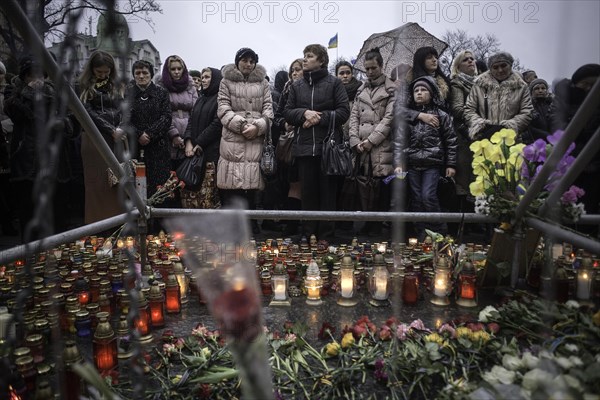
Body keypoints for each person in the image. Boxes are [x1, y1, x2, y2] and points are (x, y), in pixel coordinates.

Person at [283, 44, 350, 241]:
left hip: (327, 149)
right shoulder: (296, 86)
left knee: (327, 196)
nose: (305, 59)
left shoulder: (334, 83)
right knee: (308, 194)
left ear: (321, 60)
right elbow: (287, 112)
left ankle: (326, 237)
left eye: (310, 56)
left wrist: (320, 118)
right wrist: (304, 113)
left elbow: (344, 112)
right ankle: (308, 234)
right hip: (304, 148)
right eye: (304, 55)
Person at [4, 55, 74, 240]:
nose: (37, 80)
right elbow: (14, 111)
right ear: (24, 76)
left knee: (58, 215)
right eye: (31, 76)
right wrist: (29, 93)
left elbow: (72, 120)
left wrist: (63, 123)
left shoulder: (58, 91)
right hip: (27, 162)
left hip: (56, 162)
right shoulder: (14, 90)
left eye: (41, 75)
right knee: (29, 214)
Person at [217, 47, 273, 234]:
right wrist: (241, 125)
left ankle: (250, 228)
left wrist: (258, 126)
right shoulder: (226, 81)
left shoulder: (263, 83)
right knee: (233, 185)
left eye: (252, 61)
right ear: (237, 61)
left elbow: (268, 109)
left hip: (255, 138)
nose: (248, 64)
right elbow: (223, 108)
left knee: (252, 185)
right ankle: (232, 229)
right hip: (233, 138)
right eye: (245, 60)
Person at [393, 76, 457, 240]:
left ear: (432, 93)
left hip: (432, 164)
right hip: (413, 163)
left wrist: (451, 164)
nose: (419, 93)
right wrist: (399, 162)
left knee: (428, 196)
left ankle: (438, 231)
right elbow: (399, 141)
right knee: (416, 198)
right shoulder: (410, 117)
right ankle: (421, 233)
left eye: (423, 90)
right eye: (416, 90)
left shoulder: (441, 115)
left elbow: (450, 140)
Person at [348, 47, 396, 236]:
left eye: (373, 68)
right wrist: (354, 141)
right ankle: (366, 224)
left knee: (380, 187)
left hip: (381, 146)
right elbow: (353, 118)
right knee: (363, 187)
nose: (369, 72)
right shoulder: (361, 90)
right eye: (366, 69)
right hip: (361, 146)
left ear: (381, 66)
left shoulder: (391, 89)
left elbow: (390, 119)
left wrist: (371, 140)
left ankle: (377, 228)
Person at [77, 50, 128, 224]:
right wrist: (110, 129)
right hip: (94, 139)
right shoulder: (83, 85)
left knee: (116, 182)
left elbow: (125, 109)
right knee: (97, 185)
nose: (103, 75)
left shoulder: (118, 84)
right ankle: (96, 225)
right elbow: (87, 113)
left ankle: (117, 224)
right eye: (99, 72)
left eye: (106, 72)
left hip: (116, 138)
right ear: (92, 70)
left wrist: (120, 127)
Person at [550, 63, 600, 237]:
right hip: (568, 164)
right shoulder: (563, 101)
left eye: (594, 86)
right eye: (584, 84)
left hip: (594, 166)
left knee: (589, 215)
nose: (588, 89)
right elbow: (558, 130)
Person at [125, 60, 172, 202]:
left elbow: (166, 117)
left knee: (159, 187)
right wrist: (139, 134)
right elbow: (125, 119)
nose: (141, 76)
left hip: (158, 147)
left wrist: (150, 134)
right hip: (136, 147)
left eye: (145, 73)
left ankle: (160, 220)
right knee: (138, 185)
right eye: (137, 73)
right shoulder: (128, 94)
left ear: (151, 74)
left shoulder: (161, 93)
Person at [464, 51, 533, 142]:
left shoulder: (521, 86)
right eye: (495, 67)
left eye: (503, 65)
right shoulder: (479, 85)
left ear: (510, 66)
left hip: (511, 139)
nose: (500, 70)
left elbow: (527, 111)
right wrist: (481, 125)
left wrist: (509, 126)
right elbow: (469, 109)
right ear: (490, 69)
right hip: (484, 138)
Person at [182, 67, 223, 209]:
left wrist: (199, 143)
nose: (204, 80)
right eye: (203, 77)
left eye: (207, 77)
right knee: (192, 195)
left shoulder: (220, 99)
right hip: (193, 153)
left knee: (208, 197)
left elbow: (217, 124)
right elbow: (191, 122)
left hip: (210, 154)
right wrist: (187, 141)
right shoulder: (200, 99)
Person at [272, 58, 304, 235]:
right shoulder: (286, 90)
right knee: (293, 184)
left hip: (310, 141)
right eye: (292, 70)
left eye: (298, 69)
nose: (295, 73)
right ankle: (292, 225)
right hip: (291, 143)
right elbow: (278, 116)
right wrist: (285, 123)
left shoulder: (312, 89)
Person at [155, 55, 197, 172]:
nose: (177, 72)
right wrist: (174, 135)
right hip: (167, 136)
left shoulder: (190, 87)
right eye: (173, 69)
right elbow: (162, 113)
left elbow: (195, 112)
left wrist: (189, 137)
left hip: (188, 134)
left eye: (179, 69)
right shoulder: (160, 87)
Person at [449, 50, 479, 216]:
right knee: (464, 180)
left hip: (481, 135)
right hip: (464, 136)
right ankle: (463, 223)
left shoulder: (481, 83)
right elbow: (458, 109)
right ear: (458, 66)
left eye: (472, 59)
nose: (470, 62)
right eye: (465, 60)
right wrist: (480, 116)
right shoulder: (457, 83)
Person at [335, 60, 362, 138]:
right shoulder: (331, 92)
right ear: (336, 75)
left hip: (357, 135)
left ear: (352, 74)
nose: (345, 76)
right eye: (341, 73)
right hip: (338, 136)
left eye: (348, 73)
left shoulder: (361, 89)